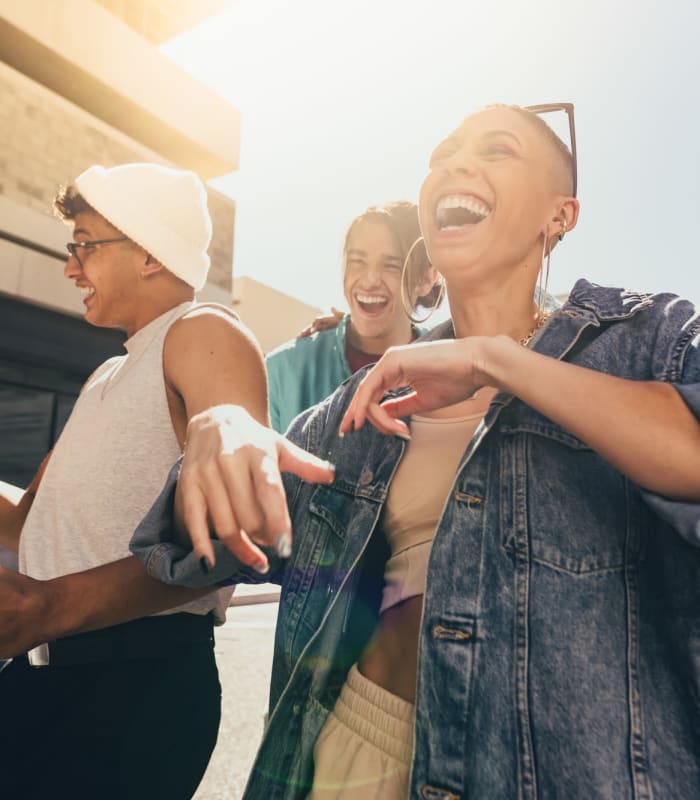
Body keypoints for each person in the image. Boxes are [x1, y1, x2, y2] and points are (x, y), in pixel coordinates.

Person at [2, 104, 699, 798]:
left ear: (561, 215)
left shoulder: (647, 340)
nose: (455, 163)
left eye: (496, 149)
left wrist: (496, 361)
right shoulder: (356, 406)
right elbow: (194, 550)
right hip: (354, 752)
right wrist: (223, 435)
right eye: (444, 151)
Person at [0, 162, 270, 800]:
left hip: (133, 691)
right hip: (40, 676)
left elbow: (240, 527)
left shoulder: (204, 331)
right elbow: (27, 517)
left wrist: (50, 604)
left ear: (150, 252)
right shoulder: (106, 374)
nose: (72, 268)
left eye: (85, 245)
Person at [266, 201, 441, 432]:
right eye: (357, 261)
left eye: (391, 265)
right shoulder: (282, 371)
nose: (369, 280)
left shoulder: (452, 375)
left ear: (426, 280)